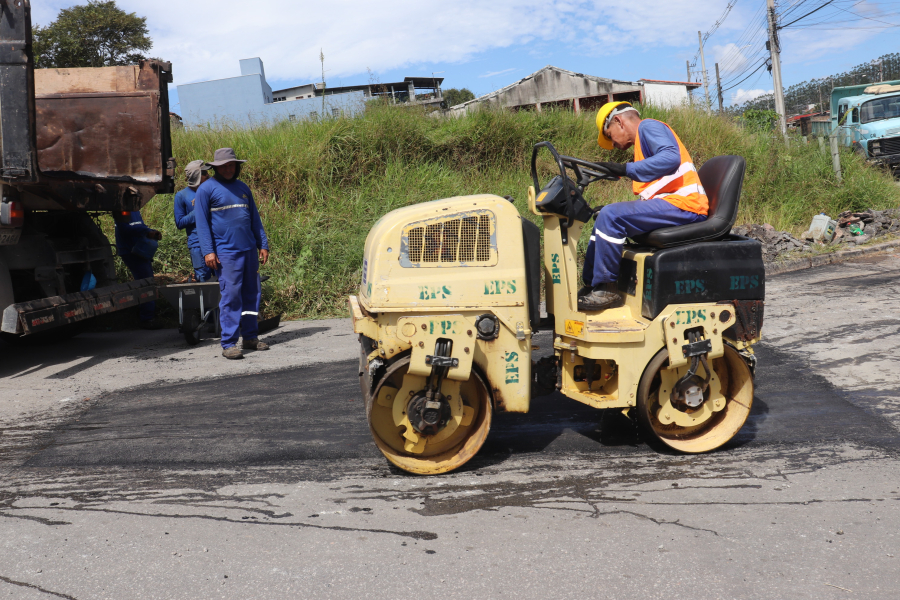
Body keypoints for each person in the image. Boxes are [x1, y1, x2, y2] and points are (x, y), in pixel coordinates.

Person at [579, 102, 708, 311]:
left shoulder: (648, 127)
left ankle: (607, 289)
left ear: (618, 121)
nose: (612, 145)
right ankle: (591, 285)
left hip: (686, 205)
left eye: (610, 136)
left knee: (611, 215)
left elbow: (670, 158)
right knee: (606, 214)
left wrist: (625, 168)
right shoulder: (642, 143)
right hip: (672, 204)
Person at [194, 148, 270, 359]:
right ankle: (228, 343)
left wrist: (262, 244)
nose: (228, 169)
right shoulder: (206, 189)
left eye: (231, 165)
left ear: (236, 166)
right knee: (231, 296)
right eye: (223, 166)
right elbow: (202, 224)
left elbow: (255, 219)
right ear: (215, 168)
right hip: (226, 254)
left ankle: (250, 337)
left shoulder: (243, 188)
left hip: (249, 251)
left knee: (252, 295)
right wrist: (208, 252)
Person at [113, 210, 163, 329]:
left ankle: (147, 315)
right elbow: (124, 229)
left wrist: (150, 231)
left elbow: (138, 225)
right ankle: (147, 318)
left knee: (147, 282)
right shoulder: (123, 208)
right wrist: (146, 231)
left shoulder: (134, 208)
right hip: (131, 251)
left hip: (139, 249)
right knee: (146, 283)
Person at [174, 160, 213, 282]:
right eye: (205, 173)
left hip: (216, 241)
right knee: (203, 278)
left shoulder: (212, 190)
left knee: (222, 276)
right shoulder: (182, 195)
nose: (208, 175)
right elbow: (180, 222)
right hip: (197, 244)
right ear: (197, 176)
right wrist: (199, 211)